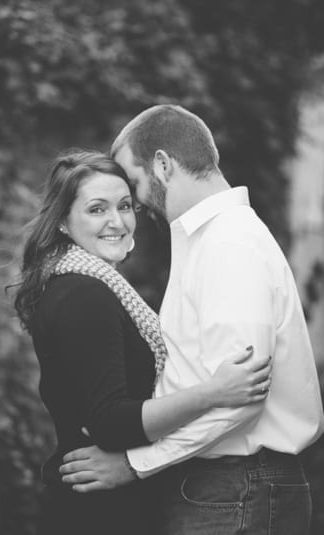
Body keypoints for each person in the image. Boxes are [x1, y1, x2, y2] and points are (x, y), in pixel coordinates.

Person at [59, 105, 324, 534]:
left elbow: (241, 398)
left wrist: (134, 463)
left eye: (135, 182)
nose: (135, 203)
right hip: (226, 487)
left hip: (237, 488)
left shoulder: (229, 244)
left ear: (163, 164)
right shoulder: (210, 240)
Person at [13, 149, 272, 534]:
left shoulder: (81, 285)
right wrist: (215, 392)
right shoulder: (85, 295)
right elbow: (111, 423)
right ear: (64, 221)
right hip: (102, 512)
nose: (117, 222)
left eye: (125, 206)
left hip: (102, 502)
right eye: (97, 209)